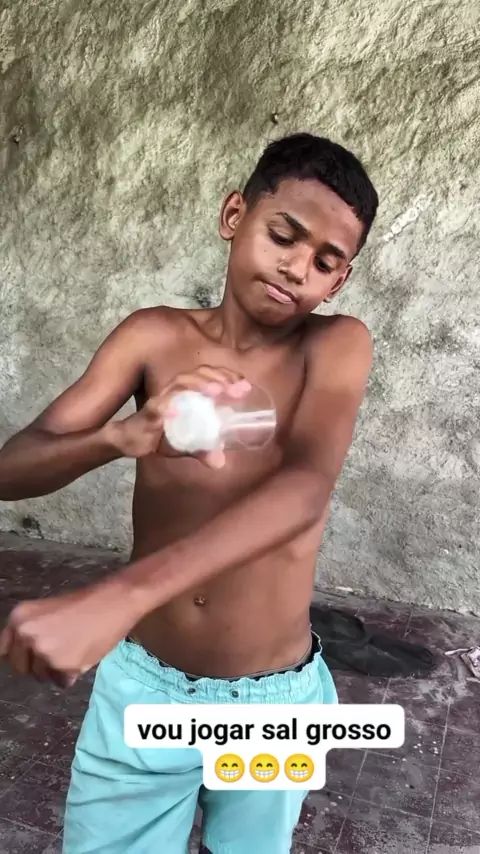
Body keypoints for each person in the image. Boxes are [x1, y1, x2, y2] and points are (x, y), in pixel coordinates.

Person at [0, 132, 378, 854]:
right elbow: (11, 469)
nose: (297, 267)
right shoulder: (152, 338)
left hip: (273, 702)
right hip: (144, 685)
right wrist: (120, 436)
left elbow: (305, 488)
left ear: (339, 281)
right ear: (234, 215)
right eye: (284, 236)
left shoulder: (335, 347)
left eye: (325, 261)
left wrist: (119, 596)